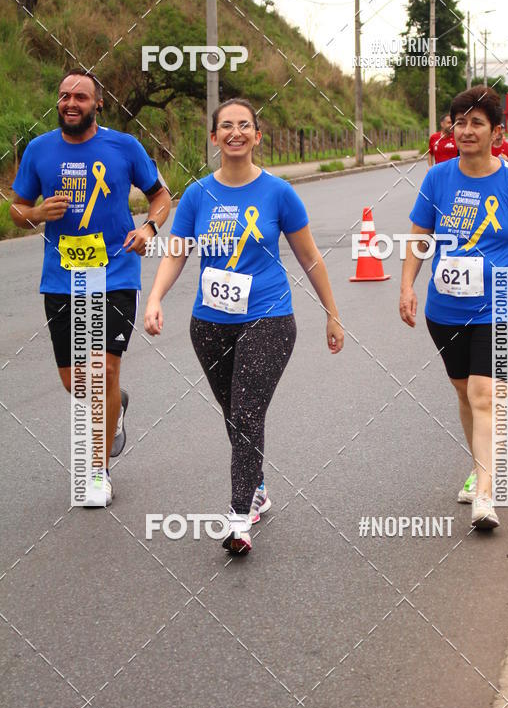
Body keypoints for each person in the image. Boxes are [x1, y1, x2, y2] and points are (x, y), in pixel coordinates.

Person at [144, 98, 343, 554]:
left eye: (244, 126)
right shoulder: (197, 195)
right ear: (214, 138)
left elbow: (310, 258)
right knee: (237, 417)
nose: (235, 132)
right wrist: (155, 298)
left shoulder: (278, 193)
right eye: (225, 126)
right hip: (209, 324)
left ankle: (238, 519)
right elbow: (177, 252)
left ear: (257, 136)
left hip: (269, 318)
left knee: (248, 413)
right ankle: (257, 485)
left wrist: (332, 314)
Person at [399, 87, 508, 530]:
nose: (466, 130)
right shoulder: (438, 178)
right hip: (447, 307)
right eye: (460, 121)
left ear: (497, 131)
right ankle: (482, 468)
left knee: (483, 393)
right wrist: (406, 285)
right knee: (464, 392)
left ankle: (486, 496)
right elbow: (419, 236)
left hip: (506, 301)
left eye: (477, 122)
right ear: (451, 128)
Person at [10, 69, 171, 505]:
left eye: (80, 96)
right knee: (75, 381)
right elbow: (17, 210)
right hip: (62, 280)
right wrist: (39, 214)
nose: (70, 103)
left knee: (104, 370)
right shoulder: (40, 150)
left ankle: (96, 470)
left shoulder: (123, 146)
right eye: (64, 96)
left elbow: (161, 195)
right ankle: (116, 406)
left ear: (97, 103)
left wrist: (150, 229)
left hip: (114, 273)